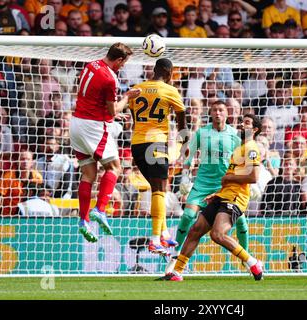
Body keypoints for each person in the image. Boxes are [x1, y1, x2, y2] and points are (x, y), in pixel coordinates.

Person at [159, 114, 263, 282]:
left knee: (217, 234)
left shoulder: (251, 148)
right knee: (195, 230)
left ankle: (252, 262)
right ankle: (177, 272)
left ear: (255, 129)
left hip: (235, 198)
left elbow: (253, 177)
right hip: (224, 195)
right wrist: (217, 193)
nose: (242, 125)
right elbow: (231, 175)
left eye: (247, 123)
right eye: (242, 122)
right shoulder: (239, 148)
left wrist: (228, 179)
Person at [69, 43, 141, 243]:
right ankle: (100, 210)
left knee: (88, 173)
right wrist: (127, 97)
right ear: (119, 60)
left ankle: (83, 220)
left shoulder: (91, 64)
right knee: (114, 168)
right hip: (93, 127)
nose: (123, 67)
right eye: (123, 63)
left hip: (76, 123)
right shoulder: (110, 78)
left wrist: (110, 115)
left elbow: (95, 98)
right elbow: (112, 110)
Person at [128, 58, 187, 255]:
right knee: (161, 189)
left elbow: (134, 118)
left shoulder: (138, 88)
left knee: (156, 189)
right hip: (155, 144)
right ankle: (155, 239)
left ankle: (164, 234)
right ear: (168, 73)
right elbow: (181, 121)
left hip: (137, 144)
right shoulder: (170, 90)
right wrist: (185, 143)